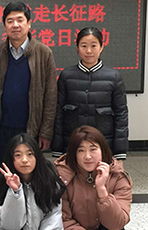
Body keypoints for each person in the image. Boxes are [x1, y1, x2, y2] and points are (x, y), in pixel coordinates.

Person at [0, 1, 58, 173]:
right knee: (3, 174)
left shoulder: (44, 53)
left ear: (29, 23)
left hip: (31, 129)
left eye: (20, 20)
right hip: (2, 128)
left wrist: (46, 132)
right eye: (10, 21)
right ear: (4, 26)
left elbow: (51, 96)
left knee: (30, 174)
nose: (15, 25)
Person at [53, 27, 128, 160]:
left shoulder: (114, 76)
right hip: (73, 143)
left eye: (93, 46)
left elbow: (121, 114)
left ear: (101, 47)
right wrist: (57, 148)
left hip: (103, 143)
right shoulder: (66, 75)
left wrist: (119, 152)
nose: (88, 51)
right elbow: (58, 112)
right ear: (77, 48)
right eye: (84, 46)